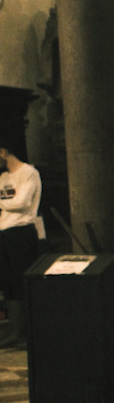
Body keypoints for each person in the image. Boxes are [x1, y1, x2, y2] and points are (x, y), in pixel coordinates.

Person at [0, 147, 43, 349]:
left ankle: (26, 332)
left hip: (22, 231)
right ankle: (14, 330)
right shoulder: (4, 177)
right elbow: (9, 203)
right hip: (4, 232)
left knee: (21, 280)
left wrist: (1, 203)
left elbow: (23, 202)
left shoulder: (29, 173)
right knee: (8, 282)